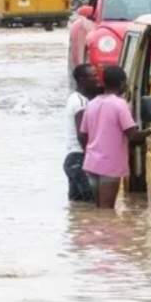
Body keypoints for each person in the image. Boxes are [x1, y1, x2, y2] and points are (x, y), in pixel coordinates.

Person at [78, 65, 151, 209]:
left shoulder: (91, 104)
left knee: (98, 210)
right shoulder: (120, 105)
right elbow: (133, 136)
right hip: (110, 166)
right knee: (107, 212)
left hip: (91, 164)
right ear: (122, 84)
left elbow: (82, 134)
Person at [64, 63, 101, 203]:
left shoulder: (76, 98)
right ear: (82, 80)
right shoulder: (80, 102)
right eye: (94, 75)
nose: (97, 79)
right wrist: (92, 159)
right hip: (79, 160)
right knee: (93, 205)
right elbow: (82, 134)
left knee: (78, 209)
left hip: (72, 160)